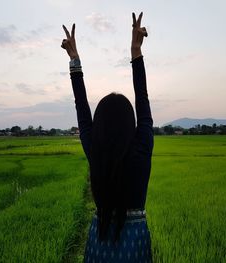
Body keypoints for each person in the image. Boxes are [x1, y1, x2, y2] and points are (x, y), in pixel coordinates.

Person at [61, 11, 153, 263]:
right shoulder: (142, 148)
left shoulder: (95, 150)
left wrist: (74, 60)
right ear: (131, 123)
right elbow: (142, 97)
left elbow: (81, 107)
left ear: (99, 126)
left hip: (99, 239)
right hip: (136, 242)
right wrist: (135, 50)